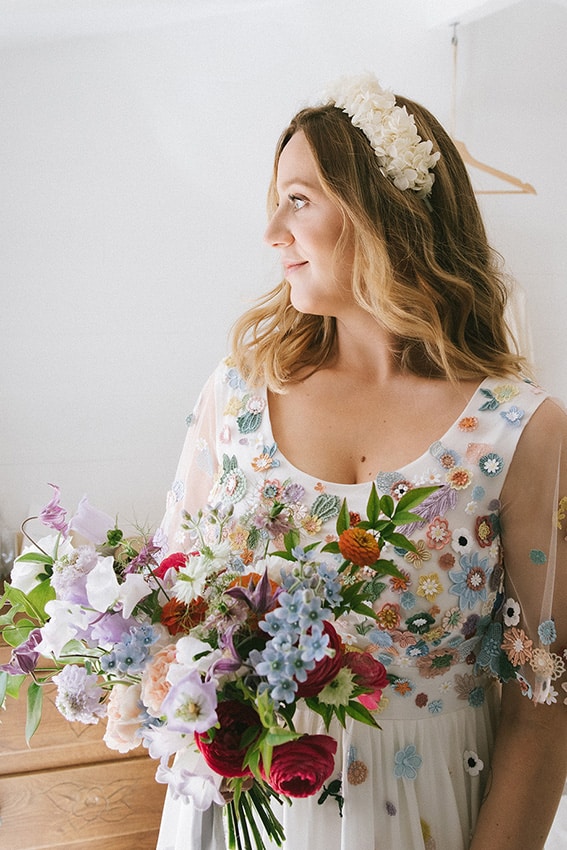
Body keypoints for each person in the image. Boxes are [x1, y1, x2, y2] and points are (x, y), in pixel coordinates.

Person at [156, 73, 567, 850]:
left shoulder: (520, 430)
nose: (272, 229)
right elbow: (171, 613)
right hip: (239, 811)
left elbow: (546, 701)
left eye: (300, 200)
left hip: (431, 810)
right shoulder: (237, 396)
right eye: (275, 199)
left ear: (386, 211)